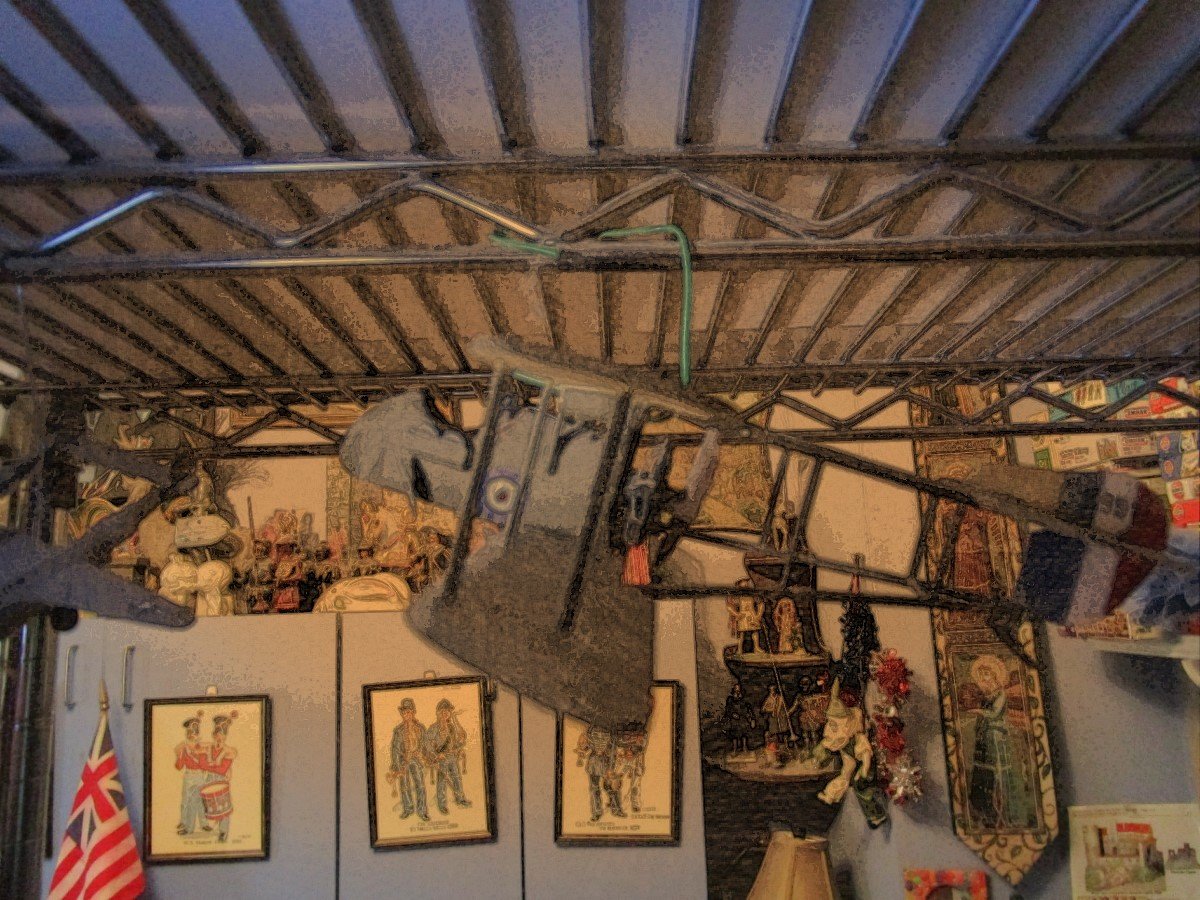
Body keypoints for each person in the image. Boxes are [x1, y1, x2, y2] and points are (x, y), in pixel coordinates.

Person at [966, 655, 1031, 829]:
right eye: (981, 675)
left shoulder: (1000, 694)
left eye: (986, 674)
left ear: (994, 675)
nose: (983, 678)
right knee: (985, 774)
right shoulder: (987, 695)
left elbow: (994, 714)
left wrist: (978, 711)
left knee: (999, 775)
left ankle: (1007, 815)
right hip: (985, 738)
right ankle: (988, 814)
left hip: (997, 738)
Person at [423, 699, 472, 815]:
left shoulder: (451, 727)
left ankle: (460, 799)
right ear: (438, 713)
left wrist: (458, 747)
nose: (445, 714)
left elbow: (456, 740)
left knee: (456, 778)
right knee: (442, 781)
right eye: (443, 711)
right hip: (441, 759)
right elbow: (427, 743)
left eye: (447, 712)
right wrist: (436, 755)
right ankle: (442, 804)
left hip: (452, 757)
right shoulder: (434, 728)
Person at [389, 698, 429, 821]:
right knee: (404, 786)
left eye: (409, 712)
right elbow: (395, 749)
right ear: (402, 714)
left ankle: (422, 811)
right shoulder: (398, 730)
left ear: (413, 712)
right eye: (404, 713)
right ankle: (408, 809)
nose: (407, 715)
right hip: (403, 761)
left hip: (416, 760)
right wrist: (397, 765)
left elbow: (425, 744)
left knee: (420, 785)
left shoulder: (420, 728)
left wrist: (423, 754)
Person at [201, 714, 238, 842]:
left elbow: (223, 768)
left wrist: (212, 765)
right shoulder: (209, 747)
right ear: (213, 735)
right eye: (216, 734)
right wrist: (212, 765)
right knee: (209, 804)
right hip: (210, 778)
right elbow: (202, 762)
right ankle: (210, 825)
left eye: (221, 735)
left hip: (221, 779)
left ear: (225, 736)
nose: (219, 737)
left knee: (223, 806)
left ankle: (223, 831)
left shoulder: (229, 750)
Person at [575, 725, 624, 822]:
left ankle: (616, 809)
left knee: (612, 787)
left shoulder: (611, 732)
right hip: (593, 764)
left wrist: (608, 754)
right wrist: (582, 750)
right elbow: (585, 747)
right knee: (594, 789)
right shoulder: (590, 730)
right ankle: (597, 812)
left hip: (606, 764)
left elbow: (613, 750)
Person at [173, 716, 207, 835]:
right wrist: (178, 755)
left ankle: (203, 824)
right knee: (185, 800)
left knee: (200, 801)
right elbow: (179, 766)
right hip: (189, 775)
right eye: (190, 734)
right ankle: (184, 822)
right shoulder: (184, 749)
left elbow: (204, 765)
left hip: (199, 776)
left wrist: (199, 752)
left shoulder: (202, 748)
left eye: (195, 733)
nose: (193, 736)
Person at [721, 682, 757, 754]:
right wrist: (732, 714)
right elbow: (728, 709)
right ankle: (735, 749)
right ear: (733, 690)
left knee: (744, 733)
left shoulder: (744, 700)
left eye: (739, 690)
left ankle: (744, 747)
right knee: (734, 734)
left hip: (743, 718)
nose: (737, 691)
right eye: (736, 690)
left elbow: (749, 710)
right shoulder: (730, 699)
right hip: (734, 719)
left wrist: (752, 719)